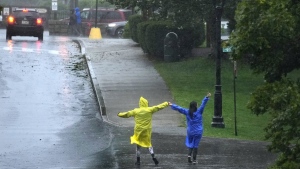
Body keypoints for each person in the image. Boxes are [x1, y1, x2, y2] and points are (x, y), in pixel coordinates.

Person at [117, 96, 169, 166]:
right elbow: (159, 107)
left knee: (138, 145)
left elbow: (127, 114)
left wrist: (119, 114)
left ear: (140, 104)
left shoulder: (136, 111)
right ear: (146, 103)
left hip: (138, 130)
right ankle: (154, 158)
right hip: (147, 130)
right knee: (148, 144)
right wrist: (166, 103)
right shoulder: (150, 110)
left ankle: (138, 160)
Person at [168, 92, 211, 164]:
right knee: (196, 145)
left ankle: (189, 156)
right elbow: (203, 104)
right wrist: (206, 97)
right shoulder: (199, 111)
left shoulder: (187, 112)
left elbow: (180, 109)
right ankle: (194, 159)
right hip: (198, 131)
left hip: (190, 131)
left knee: (191, 143)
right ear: (195, 106)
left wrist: (172, 105)